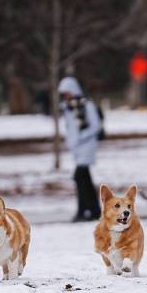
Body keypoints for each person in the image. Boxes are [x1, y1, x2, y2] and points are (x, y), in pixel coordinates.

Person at [58, 76, 102, 222]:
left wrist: (80, 138)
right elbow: (70, 128)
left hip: (87, 146)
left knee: (80, 177)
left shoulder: (86, 105)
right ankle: (94, 210)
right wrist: (71, 142)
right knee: (85, 179)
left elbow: (95, 126)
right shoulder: (68, 107)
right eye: (64, 94)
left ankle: (83, 210)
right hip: (77, 149)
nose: (66, 96)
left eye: (67, 93)